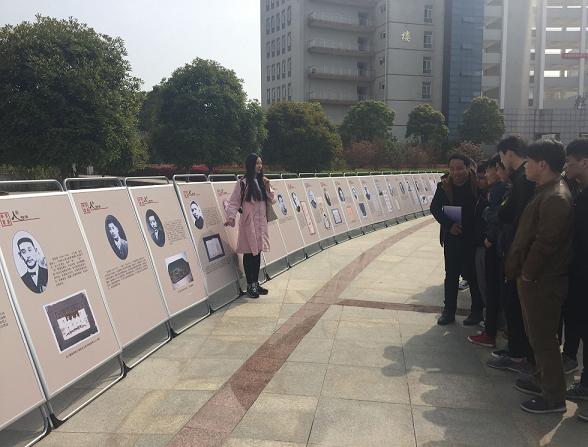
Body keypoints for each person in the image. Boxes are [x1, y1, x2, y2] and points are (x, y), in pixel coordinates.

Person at [505, 139, 573, 414]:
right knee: (536, 336)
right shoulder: (545, 191)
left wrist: (528, 274)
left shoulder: (555, 197)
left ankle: (554, 397)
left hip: (543, 281)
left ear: (542, 165)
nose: (526, 167)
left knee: (544, 339)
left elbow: (545, 244)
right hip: (536, 279)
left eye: (530, 162)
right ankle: (541, 379)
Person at [486, 135, 536, 374]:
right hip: (515, 249)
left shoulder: (524, 179)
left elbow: (510, 214)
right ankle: (515, 350)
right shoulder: (521, 178)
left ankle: (518, 355)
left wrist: (493, 213)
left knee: (515, 305)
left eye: (502, 156)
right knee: (512, 303)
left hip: (519, 252)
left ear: (508, 153)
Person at [430, 153, 484, 326]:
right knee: (451, 274)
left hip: (472, 237)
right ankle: (449, 311)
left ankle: (476, 312)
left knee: (473, 275)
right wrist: (449, 225)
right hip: (453, 237)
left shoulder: (478, 185)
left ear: (468, 168)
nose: (456, 172)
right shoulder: (444, 186)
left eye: (460, 168)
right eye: (452, 169)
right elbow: (434, 208)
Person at [468, 155, 510, 348]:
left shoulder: (499, 190)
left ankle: (493, 327)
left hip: (491, 246)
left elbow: (498, 218)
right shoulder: (494, 190)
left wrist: (489, 239)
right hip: (491, 244)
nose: (486, 175)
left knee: (489, 287)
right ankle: (494, 324)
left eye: (489, 170)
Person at [224, 153, 276, 298]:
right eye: (257, 163)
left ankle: (255, 283)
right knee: (249, 253)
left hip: (260, 223)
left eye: (261, 163)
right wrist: (230, 218)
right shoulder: (243, 182)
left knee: (257, 252)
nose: (260, 166)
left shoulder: (262, 181)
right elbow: (234, 202)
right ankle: (250, 285)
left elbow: (272, 200)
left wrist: (268, 186)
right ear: (250, 165)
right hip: (249, 224)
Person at [562, 139, 588, 421]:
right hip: (579, 273)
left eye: (569, 162)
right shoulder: (580, 191)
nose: (566, 167)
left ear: (585, 162)